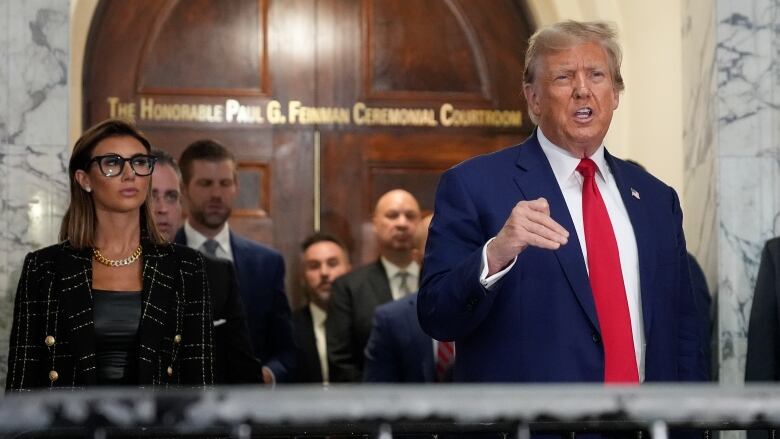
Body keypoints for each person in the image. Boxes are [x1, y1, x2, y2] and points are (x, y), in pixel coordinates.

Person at [418, 20, 706, 383]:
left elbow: (683, 333)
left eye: (597, 75)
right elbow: (436, 316)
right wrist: (495, 255)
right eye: (564, 77)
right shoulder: (473, 186)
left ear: (616, 94)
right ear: (533, 98)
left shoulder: (656, 199)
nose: (583, 90)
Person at [6, 119, 214, 390]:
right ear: (84, 180)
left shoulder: (186, 267)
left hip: (156, 428)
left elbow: (200, 384)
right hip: (68, 428)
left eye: (139, 162)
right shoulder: (44, 267)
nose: (130, 174)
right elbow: (22, 383)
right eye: (113, 163)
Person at [174, 139, 295, 384]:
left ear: (236, 188)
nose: (216, 194)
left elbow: (288, 351)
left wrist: (268, 375)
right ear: (184, 189)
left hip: (249, 407)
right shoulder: (163, 257)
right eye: (206, 184)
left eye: (225, 183)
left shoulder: (266, 264)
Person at [150, 149, 264, 384]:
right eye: (152, 196)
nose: (163, 208)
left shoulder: (216, 275)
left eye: (171, 197)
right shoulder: (107, 273)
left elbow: (246, 374)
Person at [326, 189, 422, 382]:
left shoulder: (438, 282)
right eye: (392, 215)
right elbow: (340, 362)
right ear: (375, 224)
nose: (402, 223)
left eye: (410, 216)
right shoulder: (348, 288)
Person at [364, 214, 454, 383]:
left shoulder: (493, 312)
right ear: (417, 257)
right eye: (437, 245)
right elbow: (377, 396)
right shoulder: (391, 319)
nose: (450, 254)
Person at [293, 233, 352, 383]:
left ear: (349, 271)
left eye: (332, 263)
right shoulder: (288, 327)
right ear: (303, 277)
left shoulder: (367, 323)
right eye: (314, 266)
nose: (324, 273)